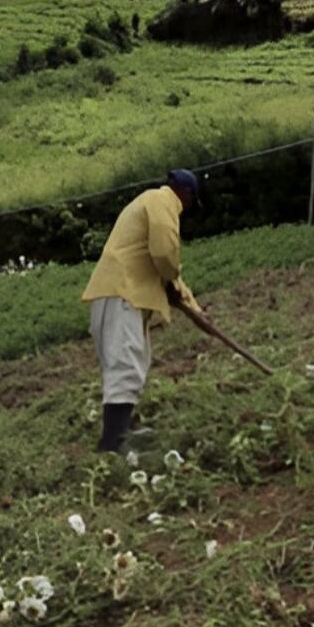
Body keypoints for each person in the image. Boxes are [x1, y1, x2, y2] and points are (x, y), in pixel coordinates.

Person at [80, 169, 204, 453]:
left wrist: (195, 308)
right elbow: (164, 254)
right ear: (185, 194)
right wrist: (171, 280)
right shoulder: (162, 202)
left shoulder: (149, 202)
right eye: (189, 202)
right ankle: (113, 443)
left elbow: (168, 271)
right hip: (121, 293)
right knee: (126, 363)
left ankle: (124, 428)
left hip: (120, 293)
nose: (185, 209)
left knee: (134, 361)